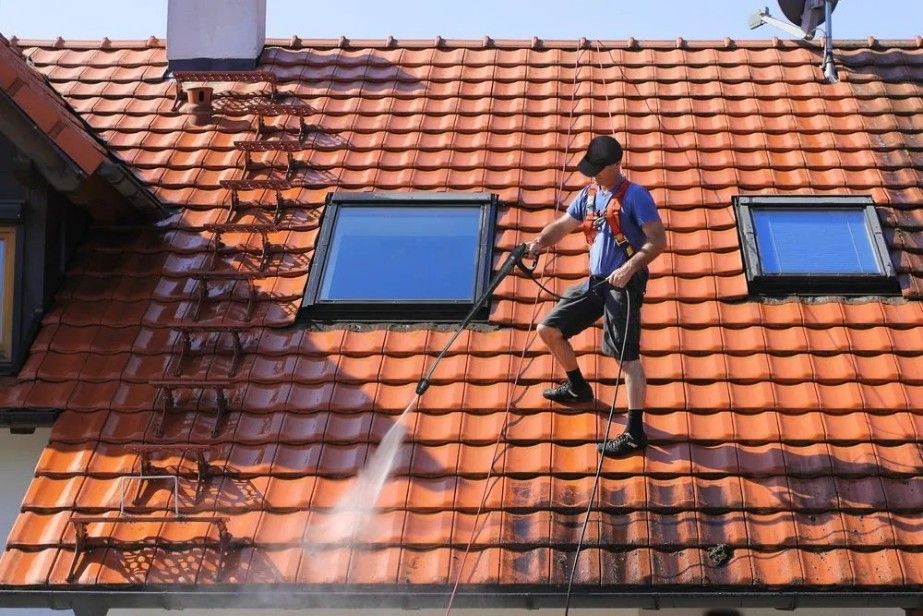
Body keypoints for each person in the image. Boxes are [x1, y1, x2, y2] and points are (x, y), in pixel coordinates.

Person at [527, 135, 667, 457]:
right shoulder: (590, 194)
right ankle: (577, 387)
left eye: (598, 169)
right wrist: (538, 243)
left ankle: (634, 433)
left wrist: (630, 268)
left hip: (623, 285)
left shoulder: (636, 197)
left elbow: (657, 241)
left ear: (616, 165)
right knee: (549, 329)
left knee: (626, 359)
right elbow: (563, 225)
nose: (593, 175)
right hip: (596, 282)